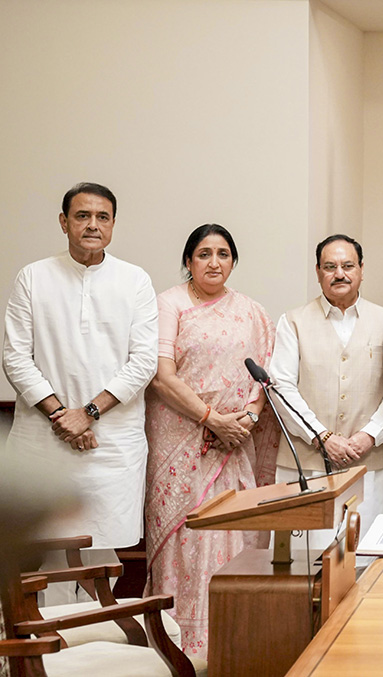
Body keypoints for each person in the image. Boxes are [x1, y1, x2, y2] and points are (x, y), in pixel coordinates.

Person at [2, 182, 158, 605]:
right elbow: (15, 357)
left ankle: (97, 647)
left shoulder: (135, 280)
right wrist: (62, 417)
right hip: (43, 442)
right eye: (82, 216)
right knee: (42, 551)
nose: (93, 225)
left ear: (113, 225)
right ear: (64, 222)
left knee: (102, 550)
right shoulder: (33, 277)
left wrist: (88, 413)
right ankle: (46, 654)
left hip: (111, 444)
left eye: (102, 217)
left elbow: (143, 362)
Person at [144, 224, 279, 658]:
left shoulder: (252, 312)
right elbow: (162, 377)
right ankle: (176, 646)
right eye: (204, 254)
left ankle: (232, 640)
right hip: (180, 444)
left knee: (230, 535)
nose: (214, 262)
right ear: (188, 261)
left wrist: (246, 418)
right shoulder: (169, 304)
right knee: (183, 538)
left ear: (233, 262)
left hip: (235, 442)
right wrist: (211, 418)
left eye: (223, 254)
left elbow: (266, 375)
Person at [269, 234, 383, 551]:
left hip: (370, 464)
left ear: (362, 270)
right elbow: (281, 386)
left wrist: (369, 435)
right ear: (318, 272)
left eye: (347, 265)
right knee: (304, 568)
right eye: (330, 267)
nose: (339, 274)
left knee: (367, 560)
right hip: (305, 466)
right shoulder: (293, 322)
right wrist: (322, 437)